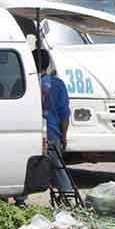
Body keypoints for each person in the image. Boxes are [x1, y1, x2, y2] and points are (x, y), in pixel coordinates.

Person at [34, 48, 74, 195]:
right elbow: (64, 113)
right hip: (51, 133)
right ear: (48, 64)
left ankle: (20, 200)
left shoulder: (26, 83)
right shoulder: (57, 84)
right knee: (58, 168)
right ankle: (68, 196)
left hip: (30, 133)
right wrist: (64, 136)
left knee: (28, 167)